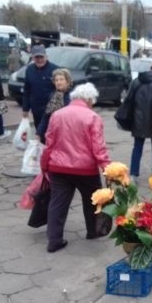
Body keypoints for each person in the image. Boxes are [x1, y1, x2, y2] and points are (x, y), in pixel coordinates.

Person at [40, 83, 111, 253]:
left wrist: (45, 165)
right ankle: (93, 231)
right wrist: (107, 168)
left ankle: (54, 241)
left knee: (58, 203)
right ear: (88, 99)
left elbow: (49, 143)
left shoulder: (57, 115)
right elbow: (98, 148)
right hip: (85, 169)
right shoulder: (92, 117)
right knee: (93, 201)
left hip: (58, 167)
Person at [22, 45, 59, 130]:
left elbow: (61, 90)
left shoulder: (55, 70)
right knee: (39, 132)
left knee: (51, 134)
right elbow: (27, 91)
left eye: (41, 57)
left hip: (51, 110)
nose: (39, 60)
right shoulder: (29, 70)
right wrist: (25, 109)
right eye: (36, 57)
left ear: (46, 57)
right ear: (33, 58)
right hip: (36, 109)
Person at [36, 68, 73, 144]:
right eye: (56, 80)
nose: (58, 82)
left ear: (68, 81)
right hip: (54, 132)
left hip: (69, 133)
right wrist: (39, 133)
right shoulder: (53, 95)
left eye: (61, 79)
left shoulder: (73, 96)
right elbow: (46, 115)